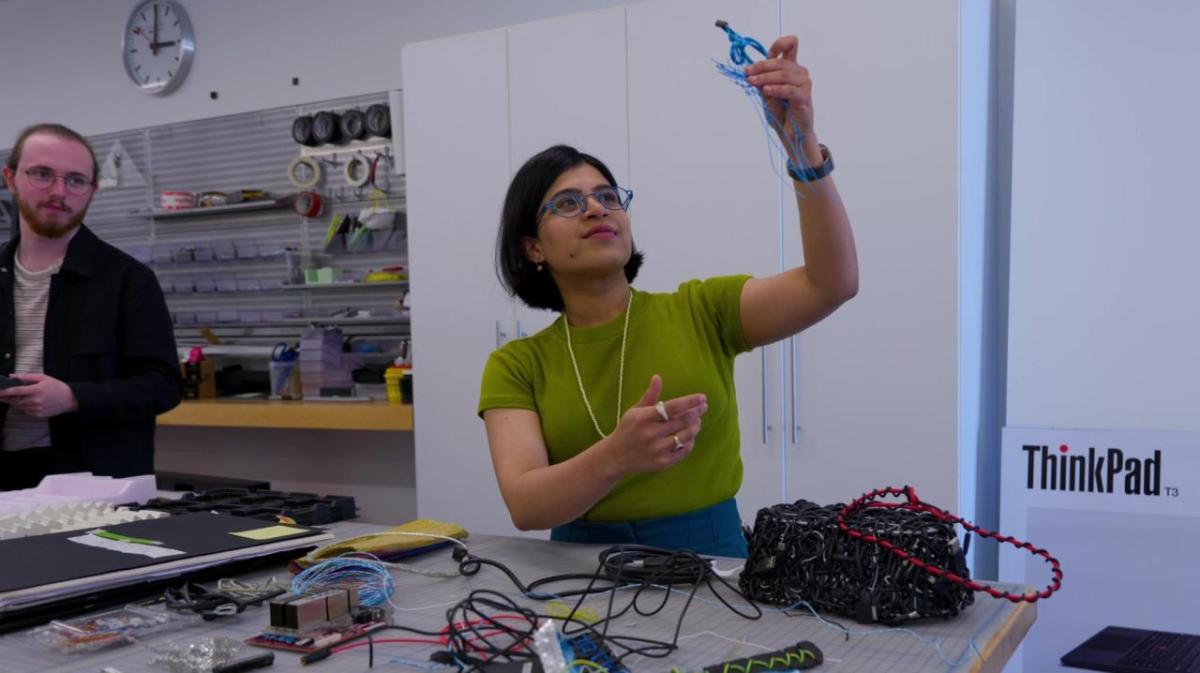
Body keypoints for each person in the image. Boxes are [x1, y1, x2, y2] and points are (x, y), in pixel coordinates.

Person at [478, 37, 857, 557]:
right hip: (579, 568)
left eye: (607, 197)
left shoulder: (702, 310)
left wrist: (802, 146)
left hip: (714, 562)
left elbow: (831, 283)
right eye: (569, 203)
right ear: (532, 246)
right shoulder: (517, 365)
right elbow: (526, 504)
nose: (596, 209)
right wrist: (618, 455)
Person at [0, 123, 182, 490]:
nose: (58, 191)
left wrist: (73, 398)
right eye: (42, 174)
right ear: (11, 178)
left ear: (92, 191)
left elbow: (162, 386)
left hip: (93, 483)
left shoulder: (128, 281)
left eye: (75, 180)